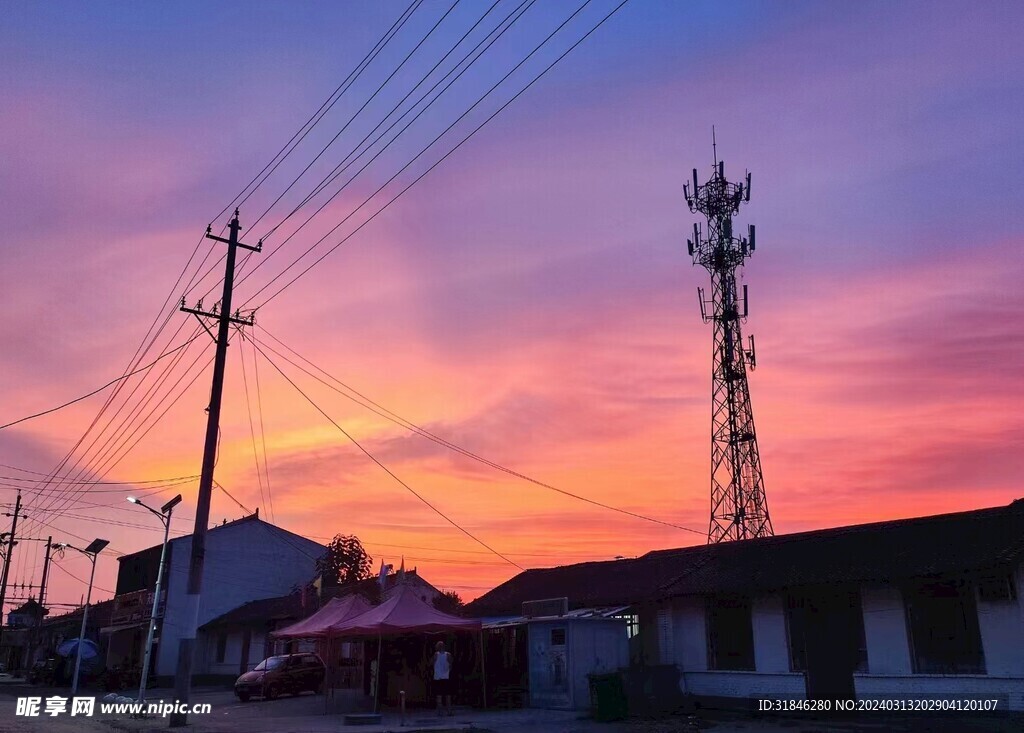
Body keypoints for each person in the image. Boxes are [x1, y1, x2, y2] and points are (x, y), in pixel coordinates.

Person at [431, 641, 453, 716]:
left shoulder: (435, 655)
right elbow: (450, 665)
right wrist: (447, 671)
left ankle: (440, 712)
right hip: (446, 676)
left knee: (439, 695)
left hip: (438, 677)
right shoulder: (448, 655)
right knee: (448, 695)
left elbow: (432, 663)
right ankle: (449, 711)